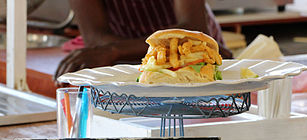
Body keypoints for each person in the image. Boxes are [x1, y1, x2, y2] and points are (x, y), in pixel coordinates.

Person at [54, 0, 232, 81]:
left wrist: (113, 50)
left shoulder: (113, 50)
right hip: (129, 64)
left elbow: (192, 31)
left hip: (194, 58)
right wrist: (113, 51)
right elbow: (95, 38)